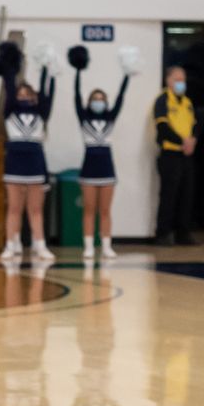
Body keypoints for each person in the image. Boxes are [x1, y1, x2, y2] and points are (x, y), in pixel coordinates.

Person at [0, 62, 56, 262]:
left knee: (35, 209)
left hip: (35, 162)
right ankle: (11, 245)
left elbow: (48, 97)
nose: (23, 97)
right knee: (14, 208)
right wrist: (10, 69)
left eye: (27, 94)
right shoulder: (10, 112)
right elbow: (9, 89)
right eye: (20, 94)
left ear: (34, 96)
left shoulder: (41, 113)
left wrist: (48, 71)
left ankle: (40, 246)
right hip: (14, 162)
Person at [75, 64, 129, 260]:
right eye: (95, 100)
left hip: (107, 169)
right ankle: (88, 246)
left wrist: (126, 76)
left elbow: (121, 99)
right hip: (89, 169)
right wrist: (78, 71)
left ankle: (107, 245)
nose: (98, 102)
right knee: (89, 210)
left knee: (105, 210)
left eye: (101, 99)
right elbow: (76, 97)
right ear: (89, 103)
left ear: (106, 103)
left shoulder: (110, 118)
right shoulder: (84, 119)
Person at [153, 65, 198, 247]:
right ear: (168, 81)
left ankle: (183, 233)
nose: (181, 83)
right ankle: (163, 233)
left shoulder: (187, 102)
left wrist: (192, 140)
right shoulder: (162, 100)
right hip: (170, 153)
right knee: (169, 195)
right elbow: (162, 128)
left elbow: (194, 125)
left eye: (183, 80)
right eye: (177, 80)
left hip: (186, 155)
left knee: (186, 194)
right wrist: (182, 141)